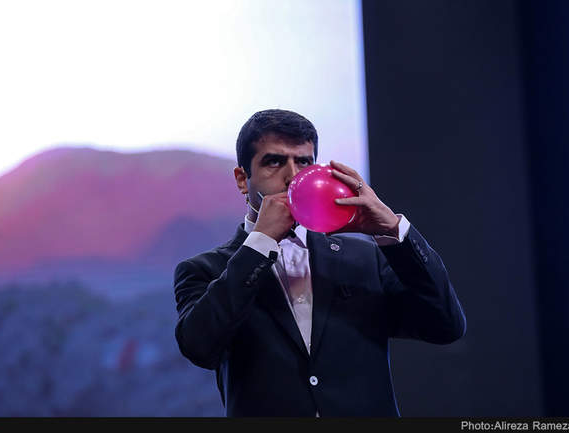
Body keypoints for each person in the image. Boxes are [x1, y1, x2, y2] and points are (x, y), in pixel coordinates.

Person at [173, 109, 466, 416]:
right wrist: (260, 243)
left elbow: (446, 326)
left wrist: (393, 230)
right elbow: (199, 347)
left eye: (304, 162)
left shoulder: (365, 258)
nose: (292, 176)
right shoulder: (204, 270)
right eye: (274, 162)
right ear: (242, 179)